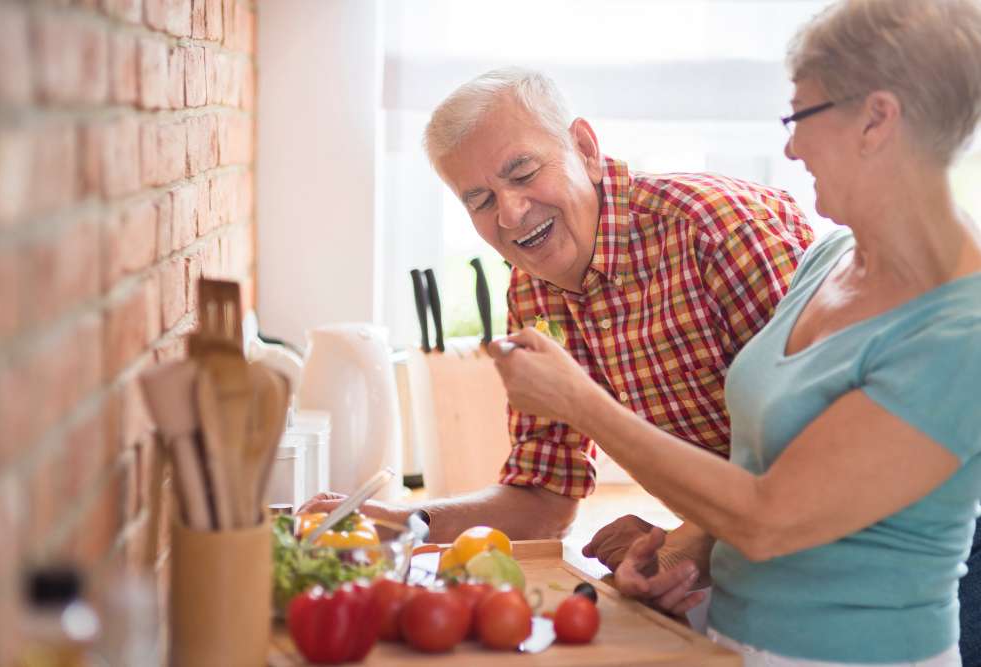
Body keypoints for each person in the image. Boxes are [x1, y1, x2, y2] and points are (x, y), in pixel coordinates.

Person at [490, 0, 981, 664]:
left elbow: (768, 515)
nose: (790, 146)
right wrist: (682, 553)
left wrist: (578, 400)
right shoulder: (824, 261)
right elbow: (764, 472)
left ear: (877, 118)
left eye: (802, 116)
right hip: (731, 638)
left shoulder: (962, 328)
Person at [300, 67, 812, 606]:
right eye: (480, 200)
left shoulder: (718, 231)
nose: (512, 212)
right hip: (747, 561)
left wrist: (684, 547)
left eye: (522, 173)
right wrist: (402, 520)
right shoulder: (531, 292)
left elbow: (814, 464)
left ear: (585, 148)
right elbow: (544, 498)